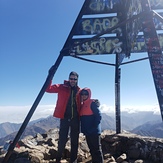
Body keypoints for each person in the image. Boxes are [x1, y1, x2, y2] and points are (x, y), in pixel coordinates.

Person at [46, 69, 80, 163]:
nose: (72, 80)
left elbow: (86, 98)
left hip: (75, 119)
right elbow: (48, 89)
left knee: (74, 140)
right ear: (68, 79)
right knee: (62, 139)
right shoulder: (61, 87)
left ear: (77, 80)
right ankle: (58, 159)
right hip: (64, 118)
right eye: (71, 78)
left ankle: (73, 160)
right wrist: (50, 76)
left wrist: (94, 102)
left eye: (74, 79)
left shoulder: (79, 90)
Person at [79, 88, 104, 163]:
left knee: (96, 149)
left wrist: (94, 127)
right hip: (87, 131)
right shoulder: (83, 104)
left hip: (94, 131)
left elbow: (98, 116)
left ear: (89, 94)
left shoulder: (92, 103)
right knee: (91, 149)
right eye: (82, 94)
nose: (84, 95)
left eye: (86, 94)